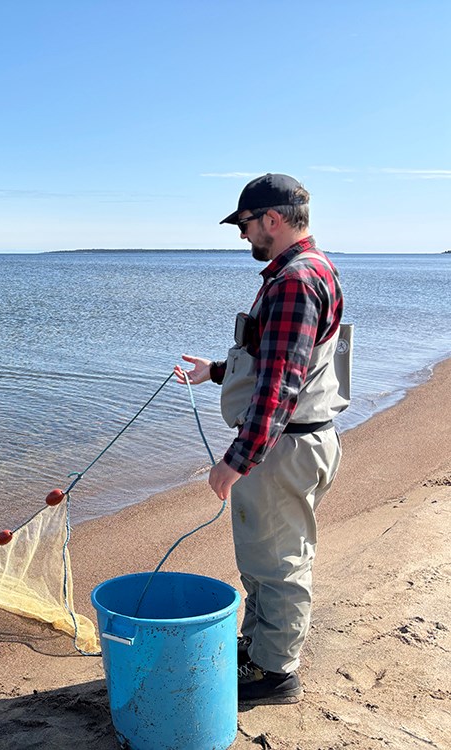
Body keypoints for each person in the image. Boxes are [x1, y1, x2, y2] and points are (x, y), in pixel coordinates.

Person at [175, 174, 349, 706]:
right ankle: (260, 651)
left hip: (283, 449)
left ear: (272, 219)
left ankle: (276, 674)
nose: (243, 236)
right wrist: (220, 370)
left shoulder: (296, 280)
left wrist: (237, 460)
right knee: (265, 557)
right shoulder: (307, 271)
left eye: (246, 225)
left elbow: (281, 384)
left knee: (279, 565)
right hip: (295, 443)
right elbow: (279, 357)